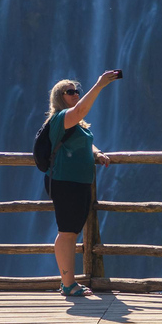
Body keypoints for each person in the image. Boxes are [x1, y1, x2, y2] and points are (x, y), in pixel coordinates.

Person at [43, 71, 118, 297]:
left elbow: (83, 143)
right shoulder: (61, 118)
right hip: (65, 182)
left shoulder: (76, 124)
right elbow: (80, 111)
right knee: (67, 232)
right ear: (59, 97)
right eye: (70, 92)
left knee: (72, 231)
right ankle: (67, 283)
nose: (75, 94)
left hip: (78, 182)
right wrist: (100, 84)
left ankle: (69, 281)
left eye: (77, 91)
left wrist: (98, 152)